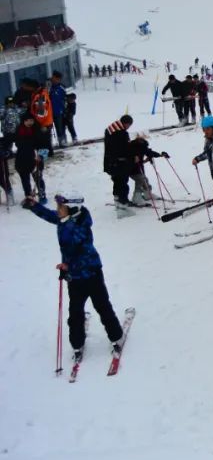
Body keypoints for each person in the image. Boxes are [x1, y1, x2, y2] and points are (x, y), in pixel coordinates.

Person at [24, 191, 124, 361]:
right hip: (75, 278)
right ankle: (77, 343)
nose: (57, 210)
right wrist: (34, 206)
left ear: (70, 210)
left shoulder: (80, 227)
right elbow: (50, 216)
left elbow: (83, 253)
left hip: (91, 274)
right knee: (75, 312)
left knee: (102, 306)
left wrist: (68, 265)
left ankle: (116, 336)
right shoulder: (64, 219)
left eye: (60, 207)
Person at [103, 115, 135, 216]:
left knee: (116, 182)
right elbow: (123, 149)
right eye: (129, 125)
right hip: (119, 163)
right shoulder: (121, 133)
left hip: (110, 162)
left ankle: (117, 200)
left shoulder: (110, 129)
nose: (129, 127)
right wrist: (132, 155)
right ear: (126, 123)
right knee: (122, 183)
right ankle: (123, 205)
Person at [128, 134, 169, 207]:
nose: (142, 139)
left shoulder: (142, 146)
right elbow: (128, 154)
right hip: (131, 168)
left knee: (144, 180)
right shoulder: (131, 146)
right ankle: (136, 198)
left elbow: (149, 152)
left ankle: (147, 194)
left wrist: (160, 155)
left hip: (138, 167)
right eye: (140, 138)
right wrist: (133, 157)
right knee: (140, 180)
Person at [15, 114, 47, 203]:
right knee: (25, 179)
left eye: (31, 120)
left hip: (35, 157)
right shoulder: (19, 130)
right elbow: (18, 144)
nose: (30, 122)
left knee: (38, 177)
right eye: (27, 120)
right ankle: (28, 196)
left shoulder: (37, 129)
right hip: (22, 158)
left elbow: (44, 143)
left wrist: (41, 155)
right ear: (23, 121)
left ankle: (42, 194)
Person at [49, 72, 68, 146]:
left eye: (58, 79)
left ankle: (62, 140)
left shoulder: (61, 87)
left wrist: (64, 109)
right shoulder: (48, 86)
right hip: (49, 112)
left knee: (60, 127)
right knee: (48, 129)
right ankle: (48, 142)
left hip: (59, 111)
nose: (56, 80)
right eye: (55, 78)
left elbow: (64, 99)